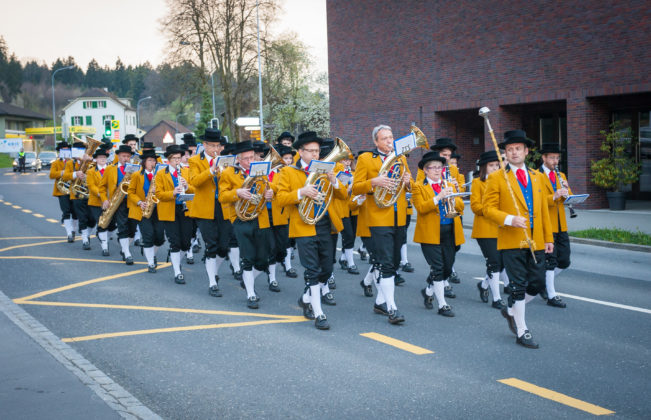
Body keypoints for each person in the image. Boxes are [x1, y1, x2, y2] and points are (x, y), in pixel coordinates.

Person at [483, 129, 554, 349]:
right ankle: (522, 330)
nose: (514, 152)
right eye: (510, 149)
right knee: (518, 285)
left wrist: (548, 238)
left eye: (518, 149)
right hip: (512, 239)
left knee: (538, 282)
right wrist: (509, 219)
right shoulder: (496, 177)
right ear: (505, 153)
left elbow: (543, 210)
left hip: (536, 239)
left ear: (526, 151)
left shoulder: (538, 177)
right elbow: (487, 209)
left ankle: (511, 310)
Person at [275, 131, 348, 330]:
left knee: (327, 269)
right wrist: (301, 192)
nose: (315, 154)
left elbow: (343, 195)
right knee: (312, 270)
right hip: (303, 225)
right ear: (300, 152)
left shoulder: (326, 168)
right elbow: (280, 198)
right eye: (311, 151)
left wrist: (334, 180)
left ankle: (307, 298)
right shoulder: (289, 172)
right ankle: (319, 313)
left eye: (317, 150)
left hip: (325, 224)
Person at [352, 125, 412, 325]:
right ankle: (392, 308)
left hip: (398, 217)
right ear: (376, 141)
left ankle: (379, 302)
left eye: (391, 137)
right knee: (386, 263)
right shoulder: (366, 158)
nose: (389, 141)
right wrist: (374, 182)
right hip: (378, 218)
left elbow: (410, 186)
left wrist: (408, 181)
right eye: (384, 138)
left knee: (394, 262)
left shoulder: (401, 158)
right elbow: (355, 187)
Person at [219, 141, 275, 309]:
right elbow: (222, 196)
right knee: (248, 258)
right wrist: (237, 192)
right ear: (238, 159)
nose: (250, 161)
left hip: (261, 218)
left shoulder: (260, 169)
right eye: (246, 159)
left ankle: (247, 280)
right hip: (241, 219)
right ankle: (251, 294)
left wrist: (271, 192)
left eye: (252, 157)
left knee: (264, 260)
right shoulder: (228, 173)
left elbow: (269, 186)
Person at [413, 152, 465, 317]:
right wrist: (438, 197)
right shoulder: (418, 186)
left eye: (439, 167)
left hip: (450, 231)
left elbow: (461, 206)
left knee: (447, 268)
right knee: (438, 267)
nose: (437, 170)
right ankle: (442, 304)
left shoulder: (448, 184)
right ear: (425, 170)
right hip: (430, 233)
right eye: (433, 168)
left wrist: (453, 196)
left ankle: (429, 291)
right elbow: (421, 208)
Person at [188, 128, 230, 297]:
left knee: (224, 246)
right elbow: (194, 181)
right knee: (211, 244)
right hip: (204, 208)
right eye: (212, 145)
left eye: (217, 146)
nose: (215, 149)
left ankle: (214, 271)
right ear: (204, 145)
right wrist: (211, 170)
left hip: (223, 206)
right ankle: (212, 282)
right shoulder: (194, 161)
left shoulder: (225, 160)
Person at [470, 151, 505, 309]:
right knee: (494, 262)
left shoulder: (503, 183)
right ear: (484, 167)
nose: (495, 168)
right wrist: (490, 208)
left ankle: (484, 285)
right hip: (484, 229)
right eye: (491, 165)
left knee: (502, 263)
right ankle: (496, 298)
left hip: (501, 228)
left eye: (497, 165)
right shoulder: (477, 183)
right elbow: (475, 207)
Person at [539, 142, 572, 308]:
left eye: (557, 158)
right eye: (552, 157)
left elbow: (568, 197)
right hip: (547, 224)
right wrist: (554, 196)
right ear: (543, 158)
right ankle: (551, 294)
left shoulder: (561, 175)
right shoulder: (536, 176)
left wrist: (567, 190)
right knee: (550, 260)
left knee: (564, 260)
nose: (555, 161)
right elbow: (537, 201)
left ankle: (543, 282)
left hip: (561, 224)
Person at [156, 145, 194, 284]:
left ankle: (176, 259)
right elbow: (158, 194)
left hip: (185, 209)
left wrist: (187, 186)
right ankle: (177, 271)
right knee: (175, 242)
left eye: (179, 158)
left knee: (186, 243)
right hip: (169, 210)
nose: (177, 161)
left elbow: (194, 189)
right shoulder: (161, 174)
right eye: (174, 159)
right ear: (168, 159)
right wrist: (172, 192)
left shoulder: (186, 171)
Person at [127, 150, 166, 272]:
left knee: (159, 237)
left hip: (158, 209)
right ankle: (150, 263)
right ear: (144, 162)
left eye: (154, 160)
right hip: (143, 209)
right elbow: (130, 192)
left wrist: (157, 190)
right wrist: (139, 202)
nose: (152, 163)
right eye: (149, 160)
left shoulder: (160, 175)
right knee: (148, 235)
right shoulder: (136, 175)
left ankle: (152, 254)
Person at [101, 144, 138, 265]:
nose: (125, 158)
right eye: (123, 156)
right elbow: (102, 187)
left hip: (132, 201)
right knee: (122, 226)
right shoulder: (110, 168)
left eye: (128, 156)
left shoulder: (136, 169)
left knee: (132, 229)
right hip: (118, 202)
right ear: (118, 156)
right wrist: (105, 199)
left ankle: (124, 247)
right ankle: (127, 253)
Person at [267, 145, 298, 283]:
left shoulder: (284, 172)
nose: (288, 161)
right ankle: (272, 278)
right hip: (265, 212)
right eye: (285, 158)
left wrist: (269, 186)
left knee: (284, 245)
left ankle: (286, 264)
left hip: (282, 212)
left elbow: (282, 188)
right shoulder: (264, 171)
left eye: (290, 158)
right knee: (271, 248)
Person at [64, 141, 95, 250]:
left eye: (81, 151)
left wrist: (91, 159)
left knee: (92, 218)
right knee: (82, 218)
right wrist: (75, 174)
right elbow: (65, 176)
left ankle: (87, 234)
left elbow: (101, 168)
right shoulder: (70, 163)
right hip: (76, 194)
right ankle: (85, 240)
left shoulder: (90, 162)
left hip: (90, 194)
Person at [86, 148, 115, 256]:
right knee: (101, 223)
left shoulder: (112, 169)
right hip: (96, 202)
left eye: (104, 157)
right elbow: (91, 186)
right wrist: (101, 195)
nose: (102, 159)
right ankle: (105, 247)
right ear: (96, 159)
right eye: (100, 157)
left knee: (112, 225)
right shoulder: (91, 171)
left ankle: (104, 238)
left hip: (111, 201)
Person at [49, 141, 77, 242]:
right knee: (66, 212)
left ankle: (73, 230)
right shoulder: (56, 163)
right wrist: (62, 172)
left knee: (75, 212)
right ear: (59, 152)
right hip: (62, 191)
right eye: (63, 150)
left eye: (67, 149)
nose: (65, 151)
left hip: (73, 190)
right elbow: (51, 175)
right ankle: (69, 234)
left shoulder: (73, 162)